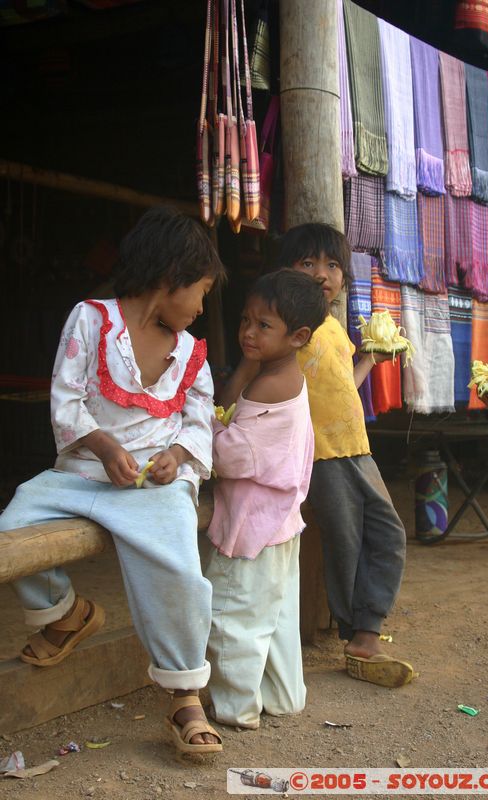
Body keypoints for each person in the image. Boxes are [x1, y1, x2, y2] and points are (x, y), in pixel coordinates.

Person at [0, 206, 226, 756]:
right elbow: (66, 399)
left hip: (153, 488)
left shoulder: (190, 354)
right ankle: (66, 613)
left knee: (178, 570)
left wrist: (177, 454)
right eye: (200, 292)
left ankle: (184, 693)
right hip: (82, 475)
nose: (201, 308)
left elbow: (200, 422)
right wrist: (103, 447)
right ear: (170, 276)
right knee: (15, 523)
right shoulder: (91, 319)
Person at [221, 223, 414, 688]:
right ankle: (359, 636)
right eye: (307, 263)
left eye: (332, 265)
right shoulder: (287, 332)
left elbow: (344, 382)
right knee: (346, 542)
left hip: (357, 448)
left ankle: (367, 626)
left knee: (388, 533)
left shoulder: (331, 329)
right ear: (285, 270)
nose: (322, 274)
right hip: (322, 454)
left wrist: (370, 359)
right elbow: (246, 379)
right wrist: (225, 408)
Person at [203, 269, 328, 729]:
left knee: (234, 616)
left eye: (263, 325)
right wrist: (248, 361)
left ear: (298, 337)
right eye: (245, 320)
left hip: (251, 529)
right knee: (275, 618)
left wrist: (203, 426)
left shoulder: (270, 385)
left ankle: (235, 708)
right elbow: (234, 403)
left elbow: (233, 456)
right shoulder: (279, 374)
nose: (248, 332)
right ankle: (283, 696)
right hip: (279, 523)